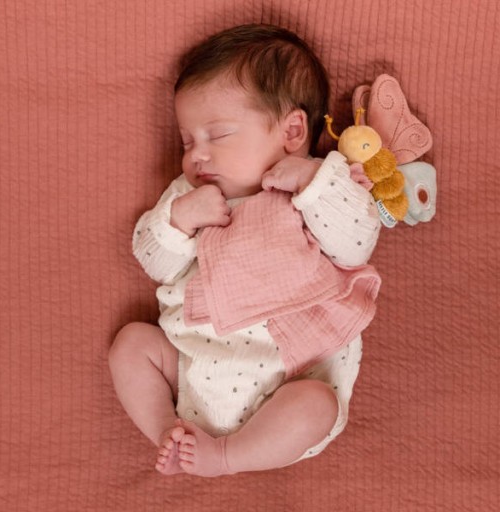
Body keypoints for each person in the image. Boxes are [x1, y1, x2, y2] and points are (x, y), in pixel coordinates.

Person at [108, 23, 381, 478]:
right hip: (191, 364)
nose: (196, 155)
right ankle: (168, 432)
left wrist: (314, 184)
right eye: (187, 141)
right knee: (131, 345)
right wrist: (179, 220)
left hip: (288, 380)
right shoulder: (187, 196)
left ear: (292, 131)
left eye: (216, 136)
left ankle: (226, 457)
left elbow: (356, 245)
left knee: (317, 405)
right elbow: (154, 262)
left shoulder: (320, 184)